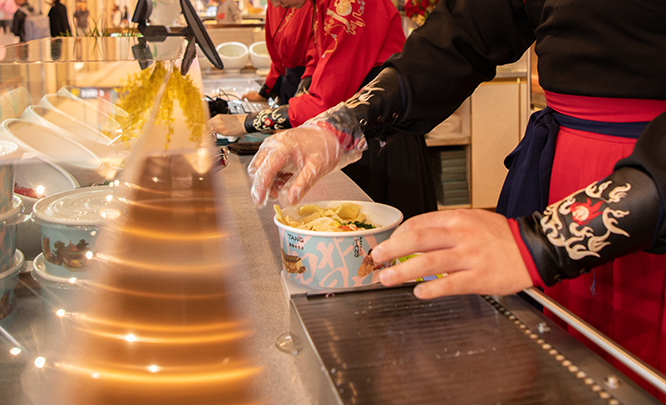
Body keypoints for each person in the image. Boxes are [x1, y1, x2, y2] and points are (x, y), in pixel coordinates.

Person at [247, 0, 666, 399]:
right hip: (561, 172)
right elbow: (462, 34)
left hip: (646, 192)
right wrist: (342, 125)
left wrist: (545, 241)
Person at [209, 0, 437, 219]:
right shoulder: (321, 4)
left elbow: (325, 100)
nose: (275, 5)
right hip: (356, 127)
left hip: (379, 132)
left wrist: (248, 122)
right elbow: (316, 62)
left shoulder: (348, 5)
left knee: (380, 227)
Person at [240, 0, 314, 106]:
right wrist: (266, 92)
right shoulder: (274, 5)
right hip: (289, 83)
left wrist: (302, 95)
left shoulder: (318, 5)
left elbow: (318, 54)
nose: (276, 4)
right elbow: (277, 58)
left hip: (313, 84)